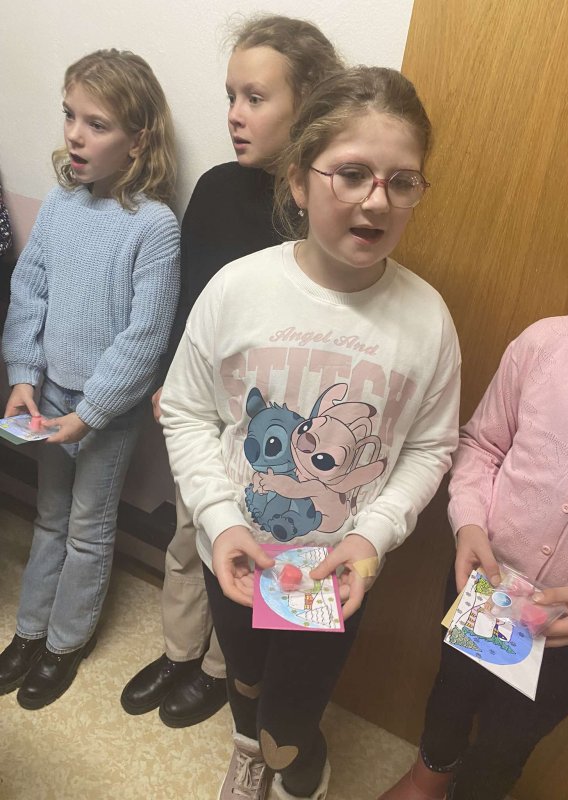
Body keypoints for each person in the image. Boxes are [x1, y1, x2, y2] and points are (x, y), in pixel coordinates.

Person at [160, 66, 461, 800]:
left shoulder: (426, 320)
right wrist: (221, 519)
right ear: (298, 181)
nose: (376, 201)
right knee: (245, 679)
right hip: (235, 552)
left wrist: (373, 536)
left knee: (294, 705)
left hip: (335, 576)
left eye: (402, 182)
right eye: (351, 174)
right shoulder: (237, 289)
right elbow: (189, 411)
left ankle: (295, 764)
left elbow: (431, 445)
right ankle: (249, 749)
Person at [120, 14, 343, 729]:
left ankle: (222, 670)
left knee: (249, 548)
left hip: (275, 431)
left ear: (307, 106)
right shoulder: (217, 188)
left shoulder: (319, 210)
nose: (235, 115)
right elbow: (188, 298)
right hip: (203, 408)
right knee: (189, 536)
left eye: (255, 98)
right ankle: (179, 653)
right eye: (230, 97)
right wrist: (168, 377)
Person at [0, 49, 180, 709]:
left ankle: (64, 643)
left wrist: (91, 413)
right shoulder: (60, 203)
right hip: (49, 396)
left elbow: (145, 337)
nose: (75, 135)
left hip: (107, 411)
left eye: (96, 124)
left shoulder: (155, 227)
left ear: (138, 140)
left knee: (87, 527)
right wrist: (23, 374)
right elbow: (31, 288)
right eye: (70, 116)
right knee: (49, 517)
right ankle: (30, 630)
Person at [379, 311, 568, 800]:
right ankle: (428, 778)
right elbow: (483, 444)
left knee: (511, 738)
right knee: (452, 693)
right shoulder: (547, 344)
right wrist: (470, 522)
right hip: (485, 583)